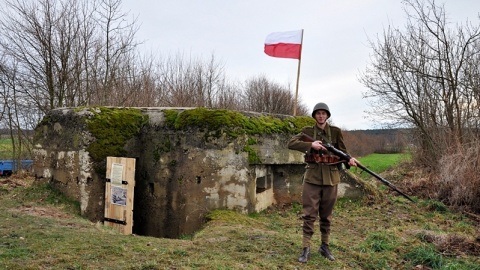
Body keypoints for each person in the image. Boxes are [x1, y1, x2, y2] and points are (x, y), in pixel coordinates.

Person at [287, 102, 357, 263]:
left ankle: (324, 246)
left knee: (326, 216)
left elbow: (343, 152)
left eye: (323, 113)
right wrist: (310, 144)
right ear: (314, 115)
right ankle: (306, 248)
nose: (321, 116)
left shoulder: (335, 132)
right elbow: (291, 143)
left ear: (327, 115)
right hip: (312, 178)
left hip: (331, 179)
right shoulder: (307, 131)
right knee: (309, 214)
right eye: (318, 113)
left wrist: (350, 160)